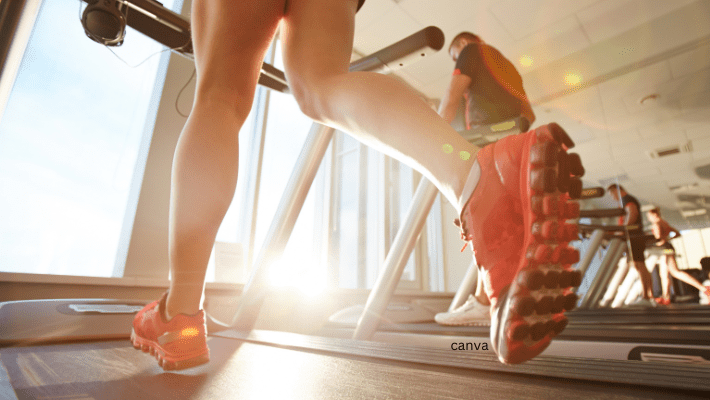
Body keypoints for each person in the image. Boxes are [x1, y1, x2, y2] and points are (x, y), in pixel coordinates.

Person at [130, 2, 581, 370]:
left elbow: (455, 93)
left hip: (485, 123)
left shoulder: (469, 54)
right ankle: (475, 182)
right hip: (512, 120)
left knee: (220, 97)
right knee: (321, 85)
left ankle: (180, 314)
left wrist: (446, 123)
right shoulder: (498, 60)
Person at [434, 32, 535, 327]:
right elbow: (528, 113)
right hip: (515, 140)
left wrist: (436, 138)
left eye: (454, 54)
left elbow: (452, 96)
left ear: (462, 44)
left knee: (483, 215)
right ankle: (497, 294)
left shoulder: (471, 51)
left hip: (487, 138)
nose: (457, 59)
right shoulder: (507, 66)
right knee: (501, 218)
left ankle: (483, 301)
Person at [646, 208, 706, 305]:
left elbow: (658, 239)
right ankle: (666, 297)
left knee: (667, 274)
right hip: (668, 247)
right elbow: (677, 233)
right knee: (670, 272)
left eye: (649, 216)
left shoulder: (656, 224)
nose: (648, 219)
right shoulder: (664, 223)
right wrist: (669, 238)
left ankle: (702, 288)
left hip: (663, 249)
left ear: (654, 215)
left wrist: (651, 244)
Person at [607, 184, 653, 304]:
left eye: (612, 194)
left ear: (617, 190)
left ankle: (646, 297)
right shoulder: (627, 200)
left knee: (638, 266)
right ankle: (649, 296)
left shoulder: (627, 199)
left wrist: (624, 230)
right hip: (634, 236)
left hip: (633, 237)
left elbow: (632, 213)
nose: (612, 197)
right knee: (639, 266)